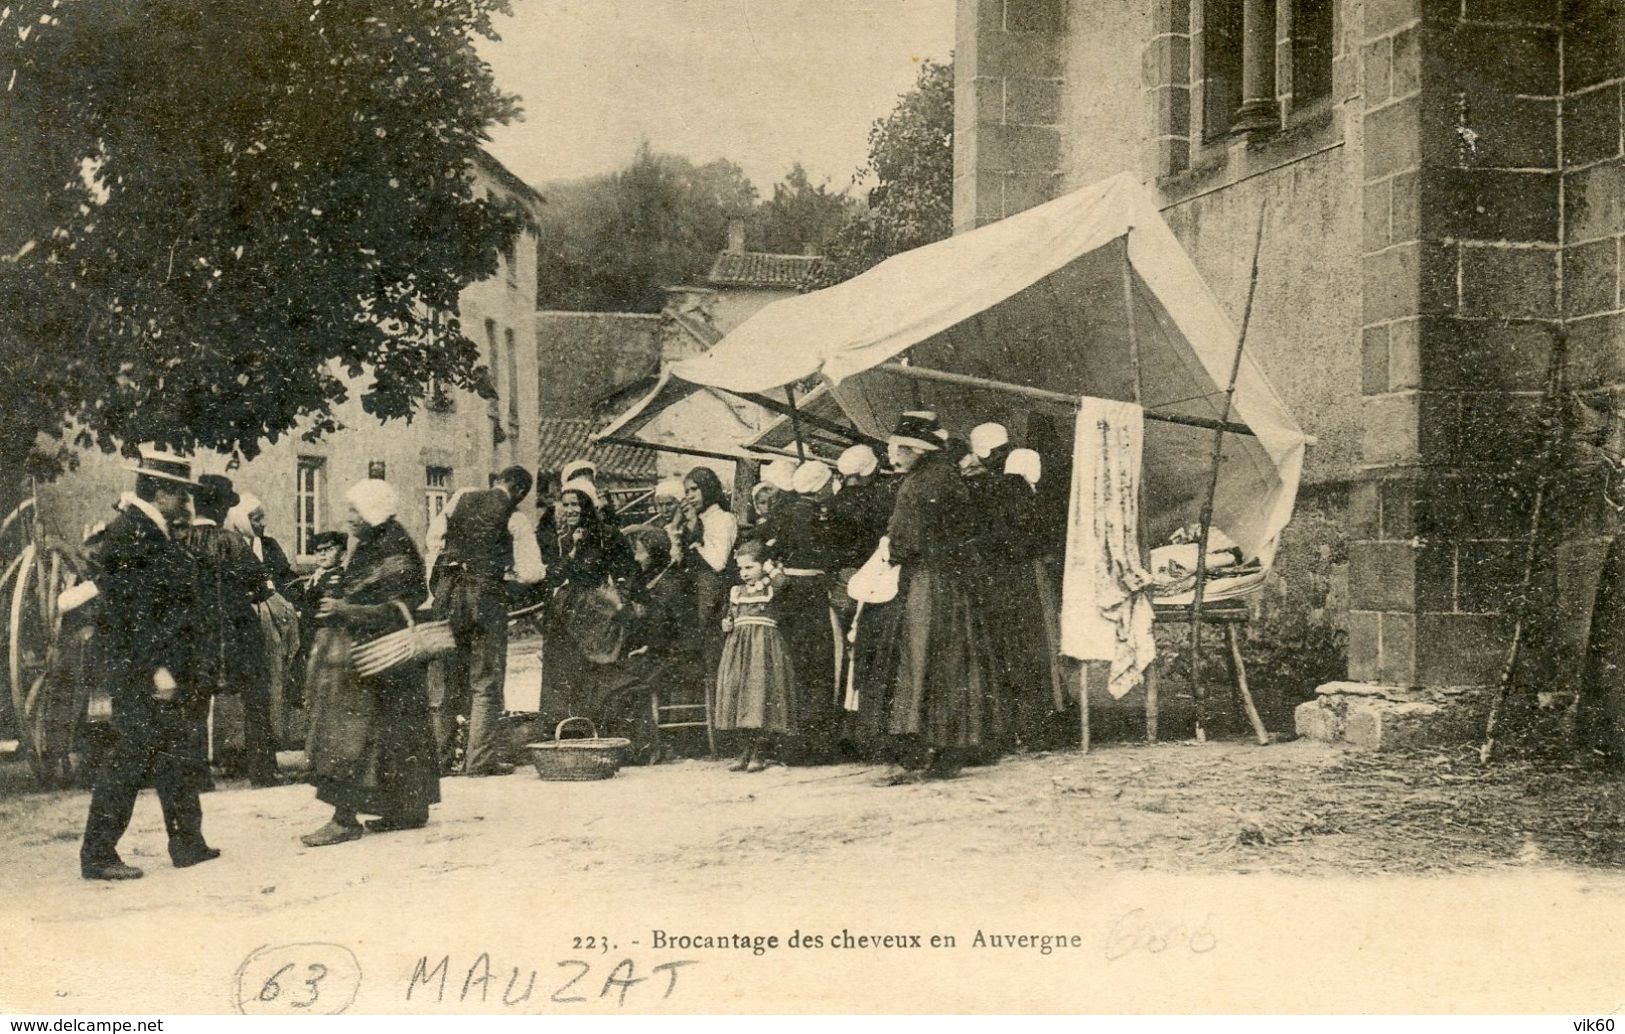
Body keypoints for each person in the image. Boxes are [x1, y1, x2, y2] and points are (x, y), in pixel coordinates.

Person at [80, 447, 214, 880]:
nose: (187, 504)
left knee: (174, 753)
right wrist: (157, 667)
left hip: (157, 665)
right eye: (180, 494)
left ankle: (188, 843)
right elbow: (128, 613)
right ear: (159, 492)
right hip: (143, 668)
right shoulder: (131, 533)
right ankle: (98, 853)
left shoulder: (146, 529)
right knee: (128, 758)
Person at [302, 479, 440, 845]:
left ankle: (344, 819)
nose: (349, 518)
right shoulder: (377, 542)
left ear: (372, 511)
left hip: (382, 655)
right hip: (385, 661)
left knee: (350, 737)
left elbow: (401, 605)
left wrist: (348, 610)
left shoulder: (391, 546)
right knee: (394, 736)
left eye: (355, 511)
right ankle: (406, 810)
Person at [877, 412, 1000, 784]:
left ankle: (931, 744)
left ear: (916, 449)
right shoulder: (948, 475)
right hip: (953, 579)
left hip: (929, 579)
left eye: (901, 448)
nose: (895, 454)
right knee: (953, 658)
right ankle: (952, 745)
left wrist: (895, 554)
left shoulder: (917, 483)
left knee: (925, 656)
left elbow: (904, 539)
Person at [429, 465, 542, 777]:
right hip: (484, 599)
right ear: (520, 492)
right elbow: (532, 572)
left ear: (498, 481)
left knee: (447, 680)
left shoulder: (460, 499)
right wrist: (507, 572)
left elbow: (433, 539)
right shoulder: (515, 517)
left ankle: (438, 759)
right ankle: (478, 762)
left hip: (448, 596)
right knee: (485, 682)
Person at [181, 474, 277, 786]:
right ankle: (261, 771)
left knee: (193, 701)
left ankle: (196, 776)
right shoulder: (233, 542)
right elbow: (262, 587)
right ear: (223, 509)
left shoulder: (180, 541)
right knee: (256, 695)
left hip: (195, 632)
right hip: (237, 629)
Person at [537, 478, 641, 723]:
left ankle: (594, 723)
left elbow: (628, 571)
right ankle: (564, 725)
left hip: (597, 609)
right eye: (566, 504)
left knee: (592, 669)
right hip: (567, 608)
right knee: (563, 667)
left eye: (576, 504)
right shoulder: (564, 539)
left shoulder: (608, 536)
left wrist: (619, 600)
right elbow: (553, 577)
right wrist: (572, 550)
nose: (570, 510)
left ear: (586, 506)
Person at [771, 460, 842, 761]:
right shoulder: (814, 516)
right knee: (818, 665)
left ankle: (793, 741)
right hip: (809, 592)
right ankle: (816, 743)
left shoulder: (785, 512)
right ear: (818, 486)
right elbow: (829, 555)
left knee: (796, 664)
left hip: (788, 593)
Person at [228, 493, 302, 751]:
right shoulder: (232, 544)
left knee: (274, 681)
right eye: (256, 519)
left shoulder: (269, 546)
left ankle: (272, 739)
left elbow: (287, 578)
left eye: (262, 518)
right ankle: (238, 747)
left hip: (275, 622)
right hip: (246, 621)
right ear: (243, 520)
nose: (263, 523)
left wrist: (293, 601)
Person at [714, 539, 797, 772]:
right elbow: (730, 613)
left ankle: (760, 753)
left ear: (763, 565)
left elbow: (783, 582)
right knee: (739, 695)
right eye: (740, 568)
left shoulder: (771, 586)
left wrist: (771, 568)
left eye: (750, 567)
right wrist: (727, 622)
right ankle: (743, 751)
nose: (744, 573)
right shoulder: (736, 591)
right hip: (738, 649)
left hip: (763, 649)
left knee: (759, 697)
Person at [675, 467, 738, 694]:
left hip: (715, 597)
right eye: (687, 491)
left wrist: (696, 535)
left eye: (695, 489)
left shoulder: (724, 519)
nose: (690, 495)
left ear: (708, 488)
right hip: (693, 594)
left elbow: (718, 561)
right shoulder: (694, 520)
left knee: (715, 659)